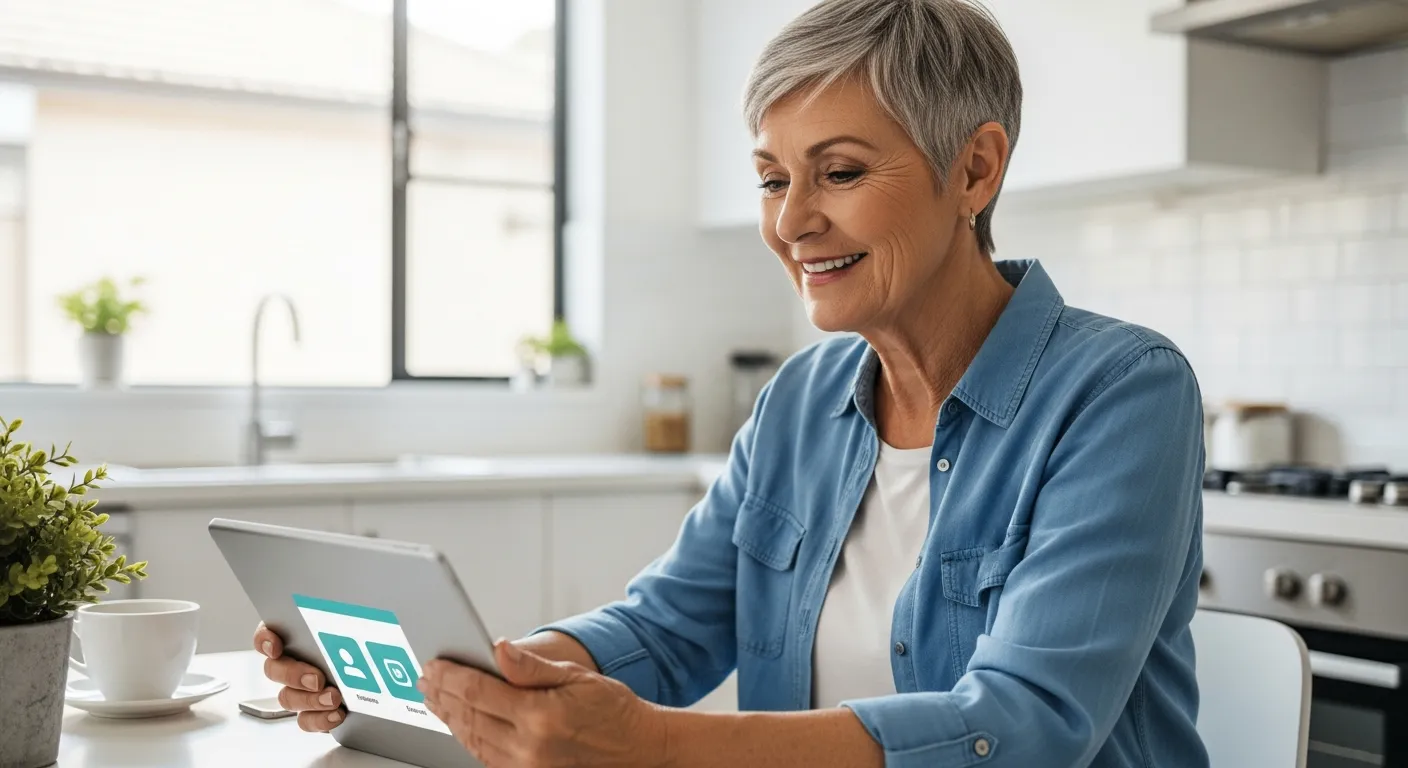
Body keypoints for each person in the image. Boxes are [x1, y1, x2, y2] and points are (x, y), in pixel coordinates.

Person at [255, 0, 1209, 765]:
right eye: (772, 179)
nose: (791, 223)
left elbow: (1024, 729)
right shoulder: (801, 401)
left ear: (974, 170)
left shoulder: (1122, 394)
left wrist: (659, 747)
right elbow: (667, 628)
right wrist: (470, 682)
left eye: (839, 172)